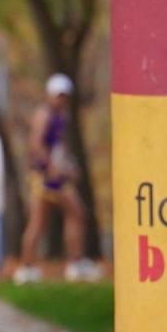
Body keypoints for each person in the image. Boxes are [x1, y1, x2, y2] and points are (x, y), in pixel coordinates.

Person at [14, 73, 102, 284]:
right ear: (50, 95)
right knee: (71, 213)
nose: (61, 99)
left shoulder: (62, 116)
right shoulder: (45, 114)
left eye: (64, 95)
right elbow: (36, 143)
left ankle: (36, 266)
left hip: (55, 175)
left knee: (51, 218)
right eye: (58, 95)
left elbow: (58, 146)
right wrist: (51, 167)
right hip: (46, 177)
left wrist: (69, 166)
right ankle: (68, 263)